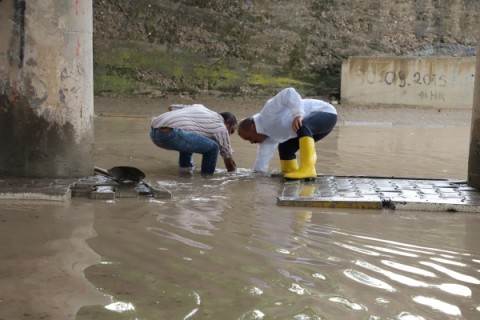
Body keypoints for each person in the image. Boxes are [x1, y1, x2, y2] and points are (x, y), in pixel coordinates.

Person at [238, 87, 337, 180]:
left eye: (249, 138)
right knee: (285, 146)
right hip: (310, 130)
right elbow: (261, 162)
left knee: (301, 125)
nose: (251, 142)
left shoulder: (267, 113)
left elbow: (289, 92)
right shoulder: (267, 140)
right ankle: (290, 171)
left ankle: (308, 169)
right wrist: (256, 178)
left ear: (253, 127)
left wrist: (298, 115)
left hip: (326, 113)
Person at [150, 104, 237, 175]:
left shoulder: (199, 107)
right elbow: (227, 157)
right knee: (214, 147)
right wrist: (234, 175)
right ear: (228, 123)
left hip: (154, 132)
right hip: (169, 134)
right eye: (231, 131)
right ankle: (206, 179)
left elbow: (171, 107)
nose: (228, 134)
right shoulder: (221, 127)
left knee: (189, 133)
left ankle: (185, 171)